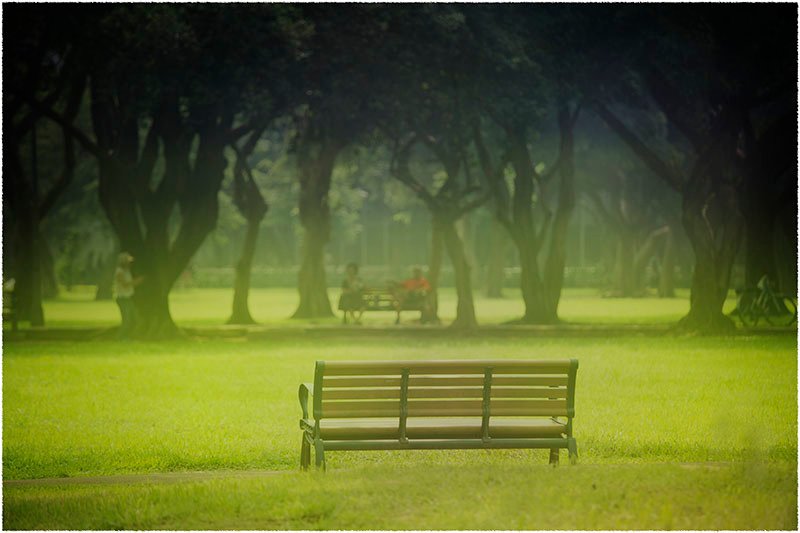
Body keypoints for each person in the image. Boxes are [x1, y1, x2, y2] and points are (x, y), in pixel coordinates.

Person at [114, 252, 143, 340]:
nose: (129, 263)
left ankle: (128, 337)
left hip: (128, 298)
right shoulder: (119, 271)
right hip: (122, 298)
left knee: (135, 319)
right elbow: (125, 284)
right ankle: (120, 337)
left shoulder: (127, 271)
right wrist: (138, 281)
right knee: (127, 320)